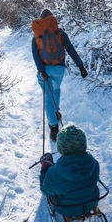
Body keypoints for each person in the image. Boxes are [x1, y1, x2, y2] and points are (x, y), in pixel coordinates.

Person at [31, 9, 88, 141]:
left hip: (45, 70)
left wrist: (41, 70)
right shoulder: (59, 32)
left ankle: (53, 127)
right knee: (56, 91)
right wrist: (81, 66)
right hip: (59, 69)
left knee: (48, 97)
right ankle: (56, 113)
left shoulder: (37, 35)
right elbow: (70, 49)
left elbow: (35, 55)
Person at [39, 124, 100, 217]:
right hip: (92, 202)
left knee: (54, 190)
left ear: (61, 148)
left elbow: (45, 190)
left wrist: (44, 170)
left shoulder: (54, 173)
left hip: (67, 209)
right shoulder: (94, 163)